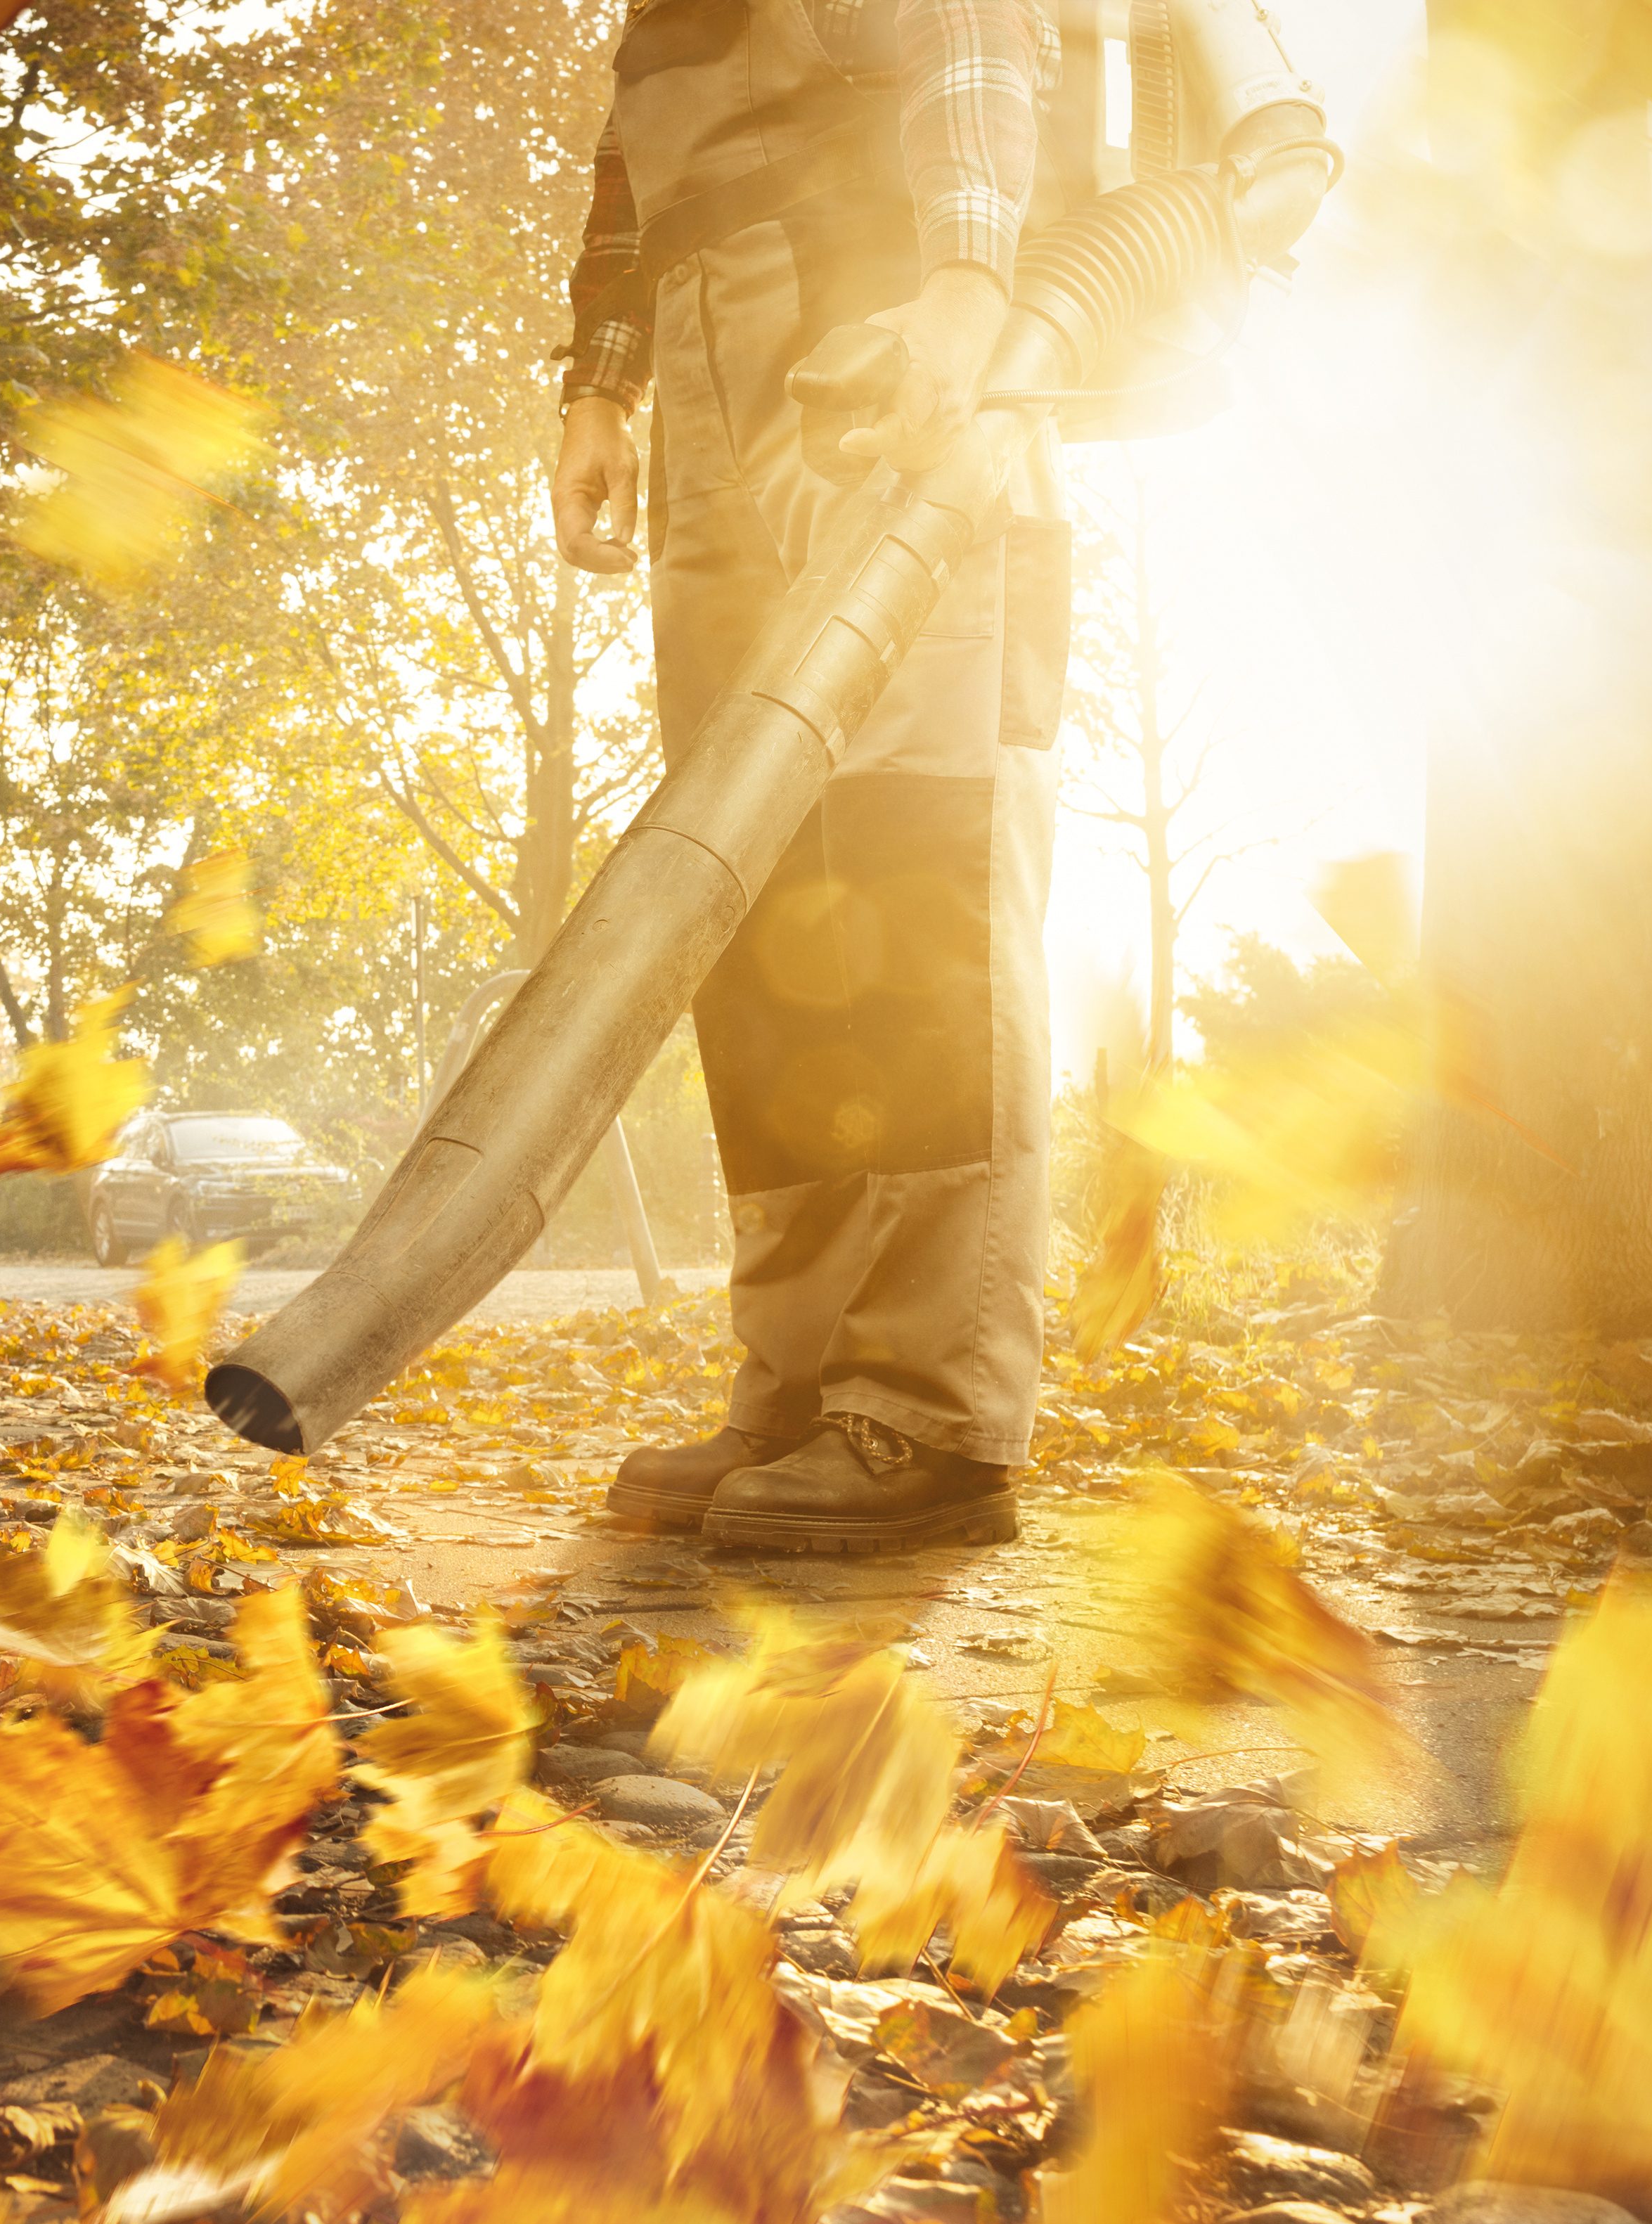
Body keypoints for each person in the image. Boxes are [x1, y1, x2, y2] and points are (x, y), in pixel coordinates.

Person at [562, 0, 1063, 1553]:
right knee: (758, 881)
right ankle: (791, 1384)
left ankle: (925, 1405)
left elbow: (977, 32)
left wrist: (970, 283)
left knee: (914, 855)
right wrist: (600, 385)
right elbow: (632, 170)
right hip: (715, 353)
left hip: (883, 313)